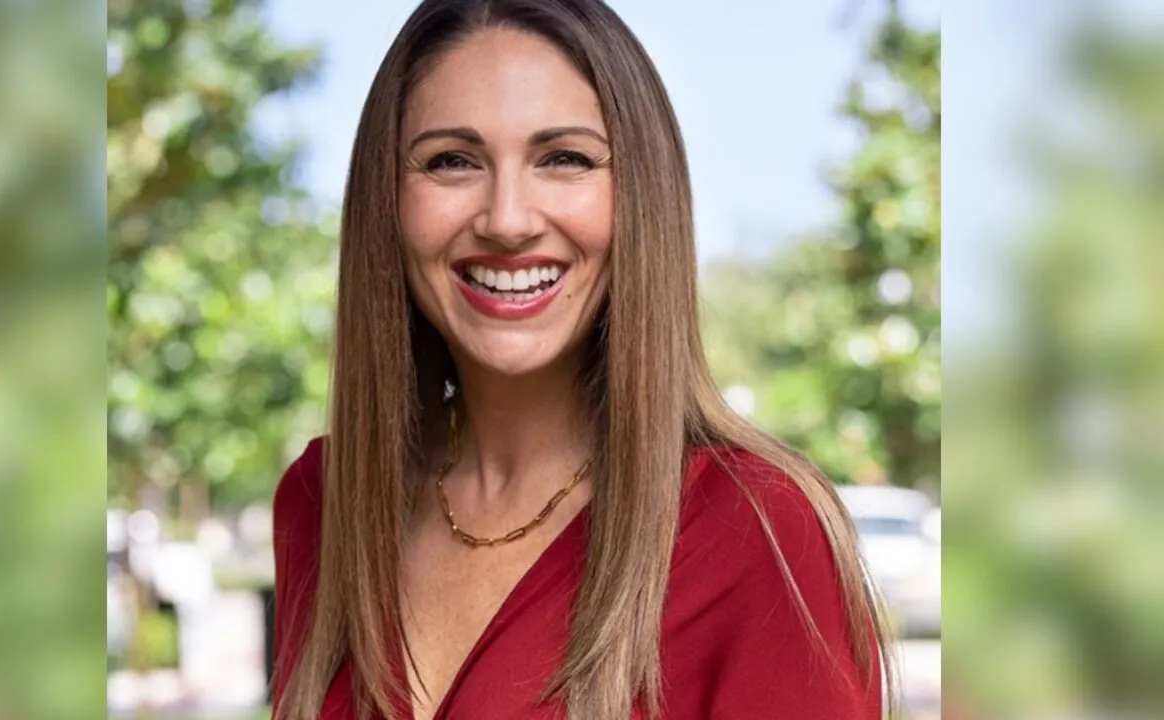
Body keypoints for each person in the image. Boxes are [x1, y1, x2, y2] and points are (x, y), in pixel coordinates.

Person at [272, 1, 890, 718]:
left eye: (564, 158)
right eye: (451, 161)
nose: (507, 218)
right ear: (387, 198)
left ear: (640, 197)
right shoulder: (324, 502)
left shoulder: (757, 530)